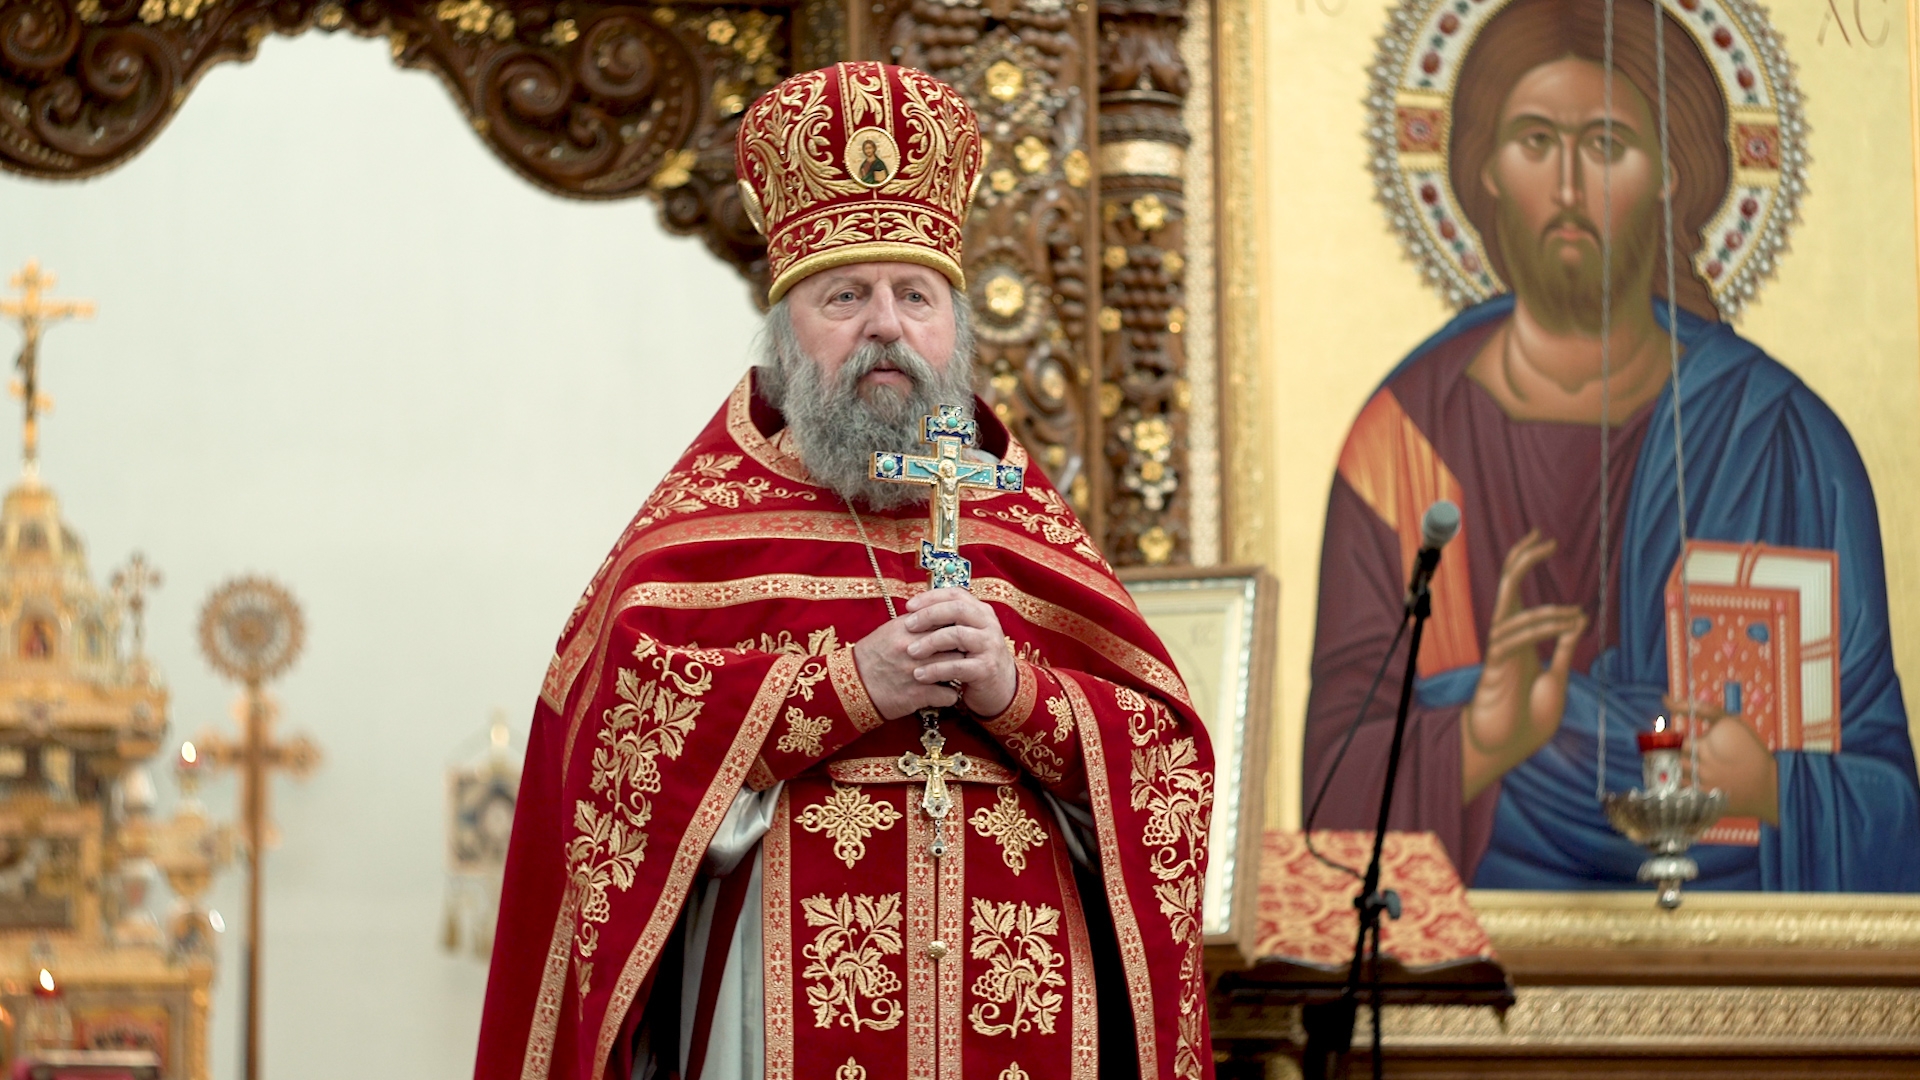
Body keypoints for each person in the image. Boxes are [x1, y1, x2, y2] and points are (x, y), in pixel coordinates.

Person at [476, 62, 1215, 1080]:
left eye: (916, 295)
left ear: (954, 329)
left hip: (1025, 1021)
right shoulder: (697, 530)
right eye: (845, 296)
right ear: (787, 334)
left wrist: (1018, 694)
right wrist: (849, 686)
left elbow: (1167, 763)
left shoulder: (1018, 516)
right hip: (776, 1015)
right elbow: (615, 758)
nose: (886, 325)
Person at [1303, 0, 1920, 891]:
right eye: (1534, 141)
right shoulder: (1402, 442)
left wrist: (1771, 786)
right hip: (1468, 958)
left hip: (1742, 961)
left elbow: (1889, 811)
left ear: (1671, 173)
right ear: (1482, 167)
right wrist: (1480, 738)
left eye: (1606, 144)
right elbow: (1331, 796)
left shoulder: (1784, 439)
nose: (1567, 187)